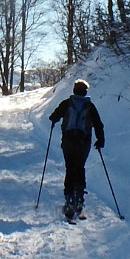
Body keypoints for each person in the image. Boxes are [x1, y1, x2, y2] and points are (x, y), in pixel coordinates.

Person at [48, 79, 105, 221]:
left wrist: (55, 120)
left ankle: (69, 200)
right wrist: (100, 141)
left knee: (70, 168)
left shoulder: (67, 103)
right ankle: (79, 198)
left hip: (68, 141)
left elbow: (53, 116)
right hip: (83, 143)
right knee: (79, 167)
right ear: (85, 92)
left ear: (73, 90)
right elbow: (98, 125)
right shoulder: (90, 106)